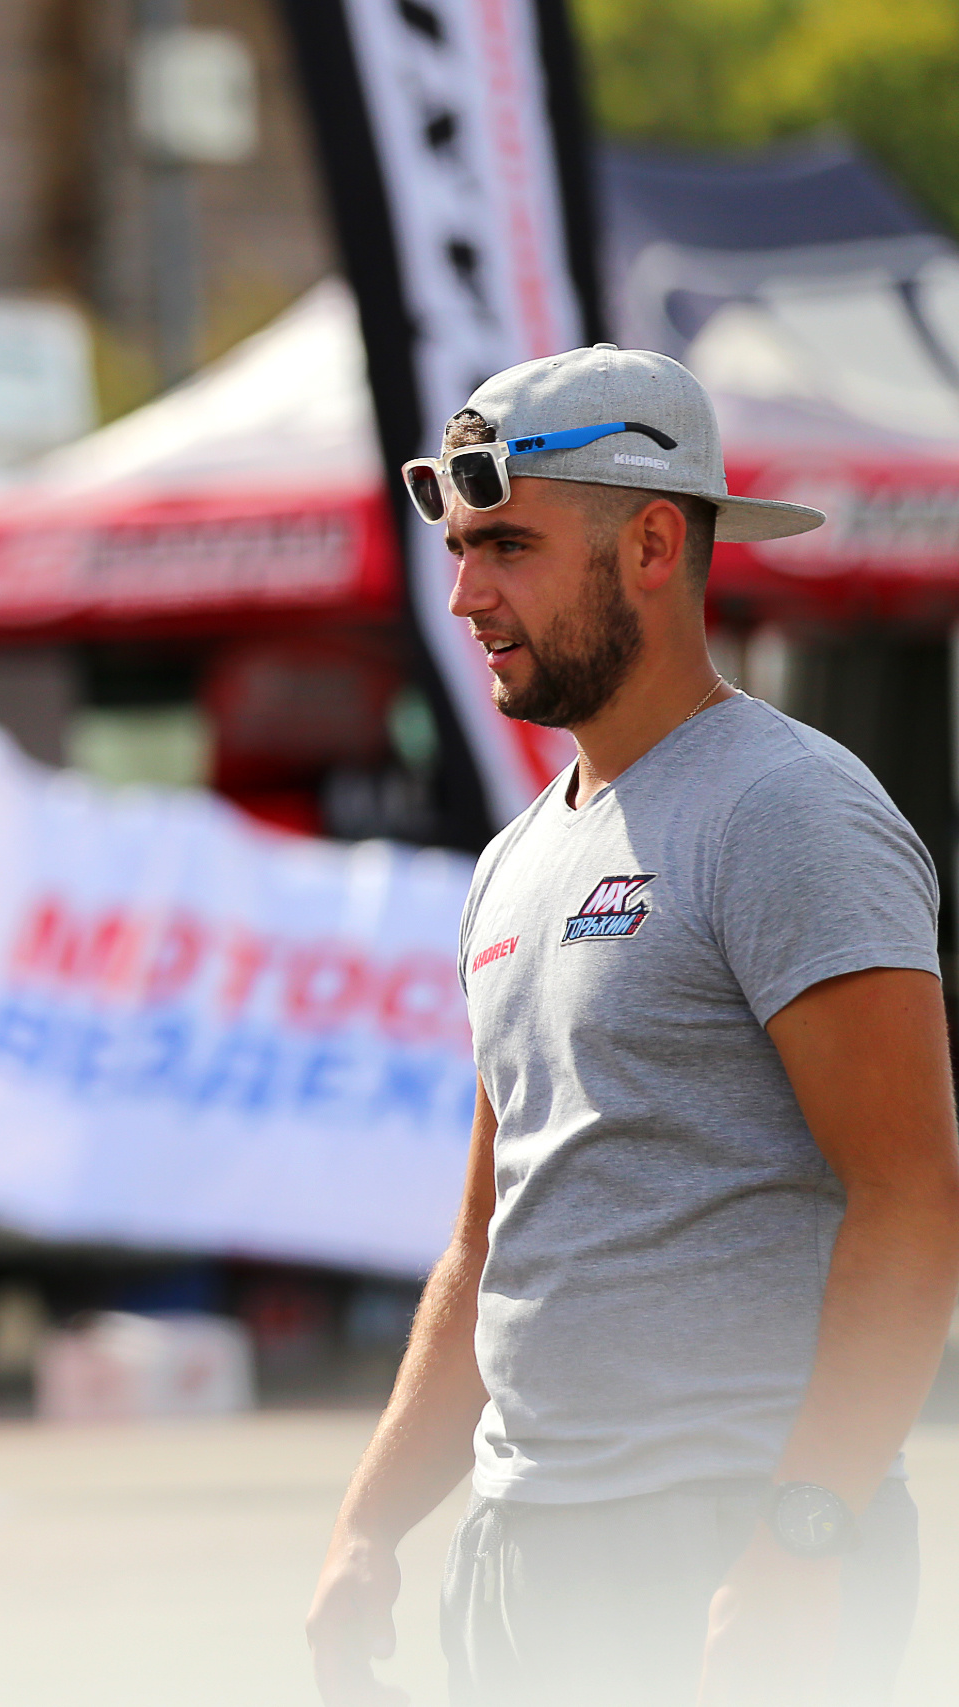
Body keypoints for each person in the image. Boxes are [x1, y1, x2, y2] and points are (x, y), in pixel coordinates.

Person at [306, 344, 959, 1707]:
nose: (466, 593)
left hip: (728, 1539)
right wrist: (373, 1519)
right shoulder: (513, 859)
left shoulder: (789, 810)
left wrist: (806, 1533)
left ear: (655, 542)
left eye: (510, 546)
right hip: (525, 1545)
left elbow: (912, 1195)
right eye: (460, 548)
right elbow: (492, 1237)